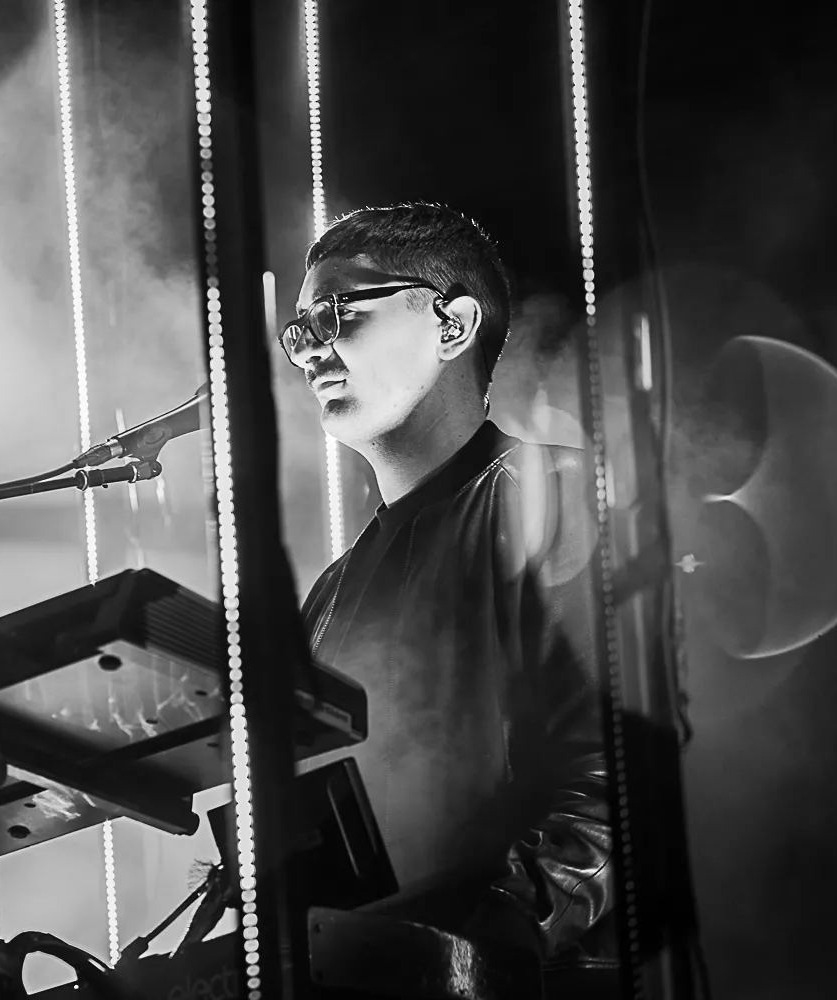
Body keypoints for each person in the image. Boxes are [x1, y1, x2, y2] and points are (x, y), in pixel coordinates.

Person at [283, 202, 617, 995]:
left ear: (453, 324)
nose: (312, 351)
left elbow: (616, 784)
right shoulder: (327, 595)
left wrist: (490, 934)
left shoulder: (555, 495)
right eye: (300, 332)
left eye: (335, 314)